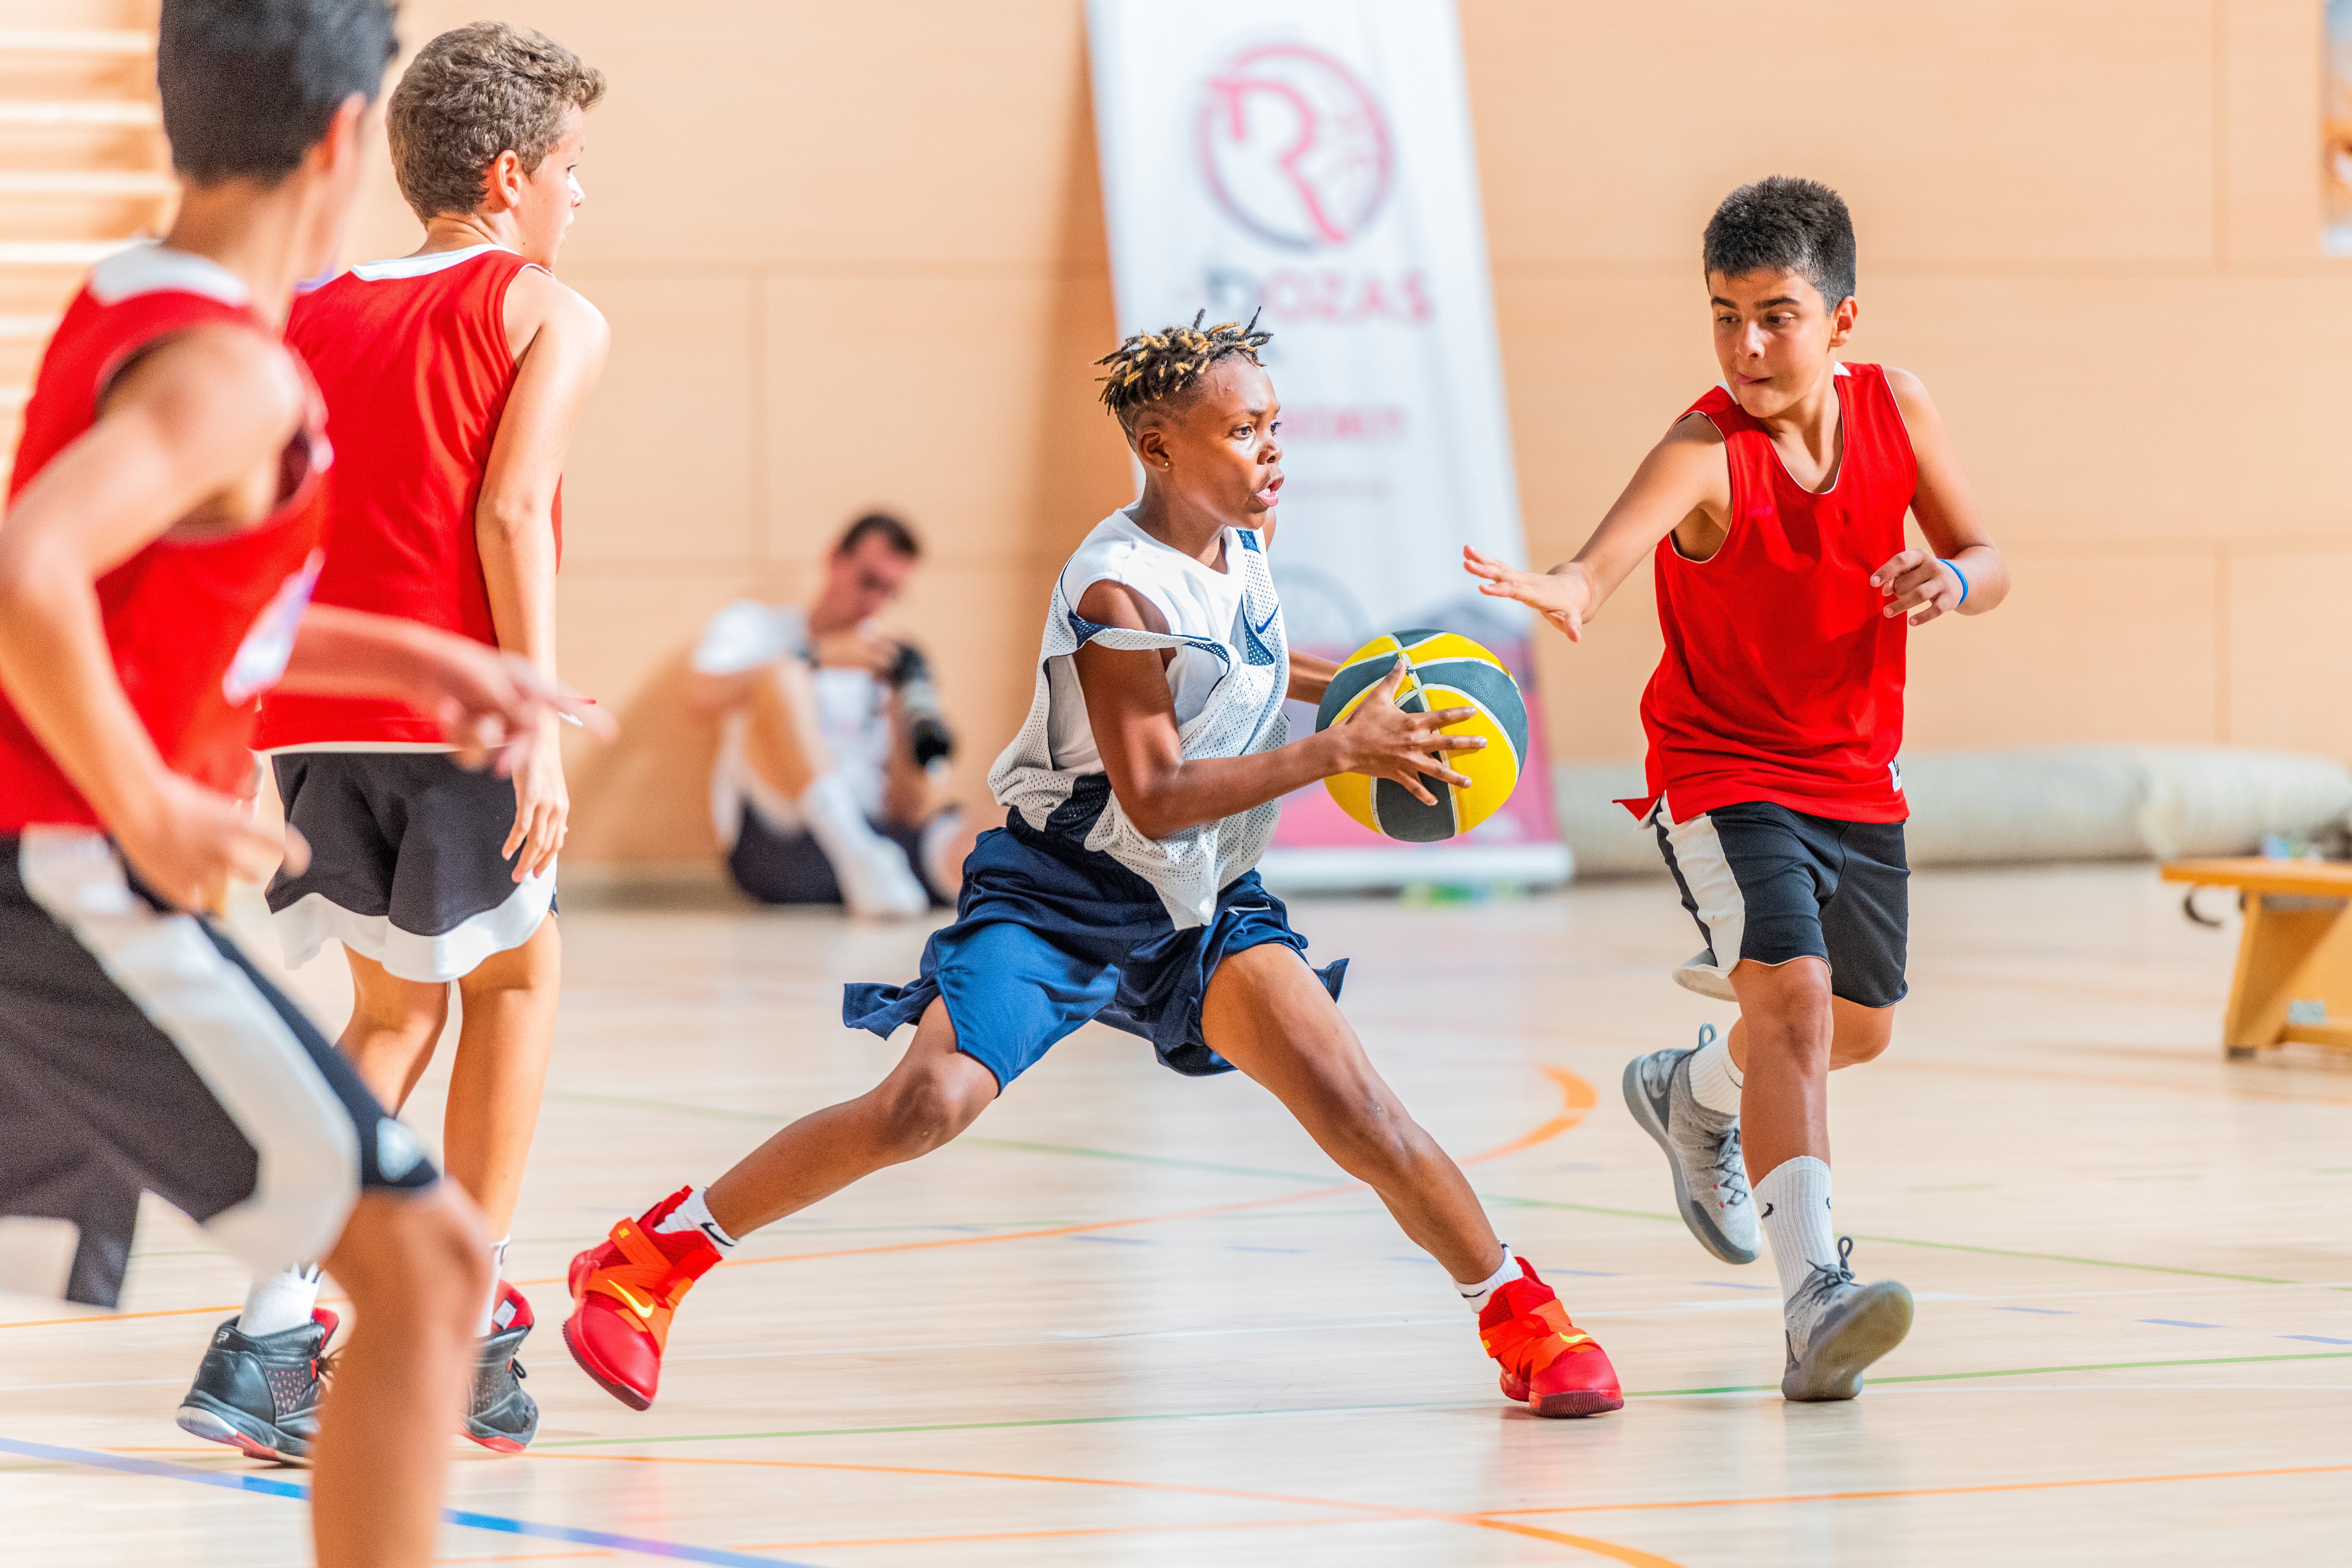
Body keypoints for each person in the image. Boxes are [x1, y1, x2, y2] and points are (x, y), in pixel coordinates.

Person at [556, 314, 1624, 1421]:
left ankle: (1520, 1315)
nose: (1269, 451)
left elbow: (1255, 656)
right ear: (1157, 447)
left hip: (1199, 901)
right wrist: (1333, 750)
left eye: (1272, 425)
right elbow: (1154, 793)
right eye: (1242, 429)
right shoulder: (1115, 589)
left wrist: (1366, 685)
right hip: (1063, 894)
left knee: (1359, 1107)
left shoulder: (1240, 537)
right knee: (925, 1103)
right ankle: (649, 1260)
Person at [0, 1, 601, 1562]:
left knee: (401, 1221)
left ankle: (274, 1345)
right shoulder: (233, 364)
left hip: (85, 857)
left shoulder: (136, 295)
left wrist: (416, 663)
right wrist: (134, 790)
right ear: (346, 142)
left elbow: (168, 572)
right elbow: (34, 565)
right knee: (415, 1260)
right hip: (59, 875)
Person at [1465, 177, 2011, 1402]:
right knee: (1799, 1006)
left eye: (1774, 314)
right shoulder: (1706, 449)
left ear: (1842, 320)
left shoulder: (1897, 408)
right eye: (1721, 315)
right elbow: (1598, 564)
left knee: (1852, 1028)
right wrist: (1565, 588)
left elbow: (1988, 554)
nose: (1745, 345)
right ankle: (1815, 1296)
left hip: (1856, 776)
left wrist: (1954, 585)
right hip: (1720, 774)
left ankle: (1687, 1091)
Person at [175, 21, 610, 1459]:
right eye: (570, 166)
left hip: (311, 716)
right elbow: (506, 514)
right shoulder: (545, 306)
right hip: (454, 710)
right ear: (506, 173)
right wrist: (536, 728)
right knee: (521, 982)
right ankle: (451, 1305)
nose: (578, 194)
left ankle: (274, 1321)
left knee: (395, 1012)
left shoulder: (309, 303)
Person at [686, 513, 973, 917]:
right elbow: (699, 695)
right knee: (784, 674)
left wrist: (900, 705)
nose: (875, 604)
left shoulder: (889, 659)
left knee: (988, 836)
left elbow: (907, 809)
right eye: (869, 581)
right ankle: (853, 851)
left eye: (891, 592)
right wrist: (818, 655)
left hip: (878, 841)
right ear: (836, 557)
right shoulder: (757, 626)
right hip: (777, 841)